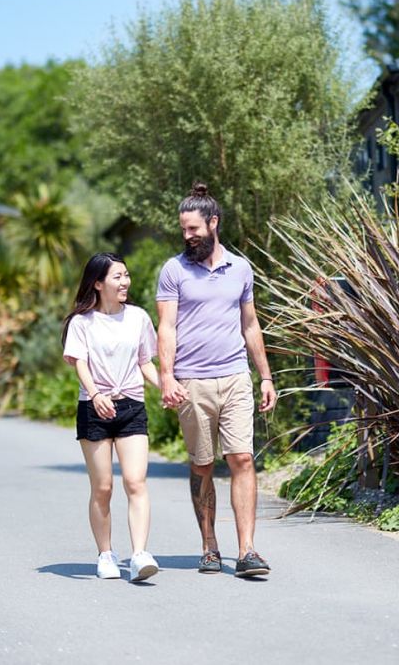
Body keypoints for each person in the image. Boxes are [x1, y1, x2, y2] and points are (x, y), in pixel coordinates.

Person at [156, 181, 278, 578]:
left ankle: (247, 552)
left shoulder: (240, 268)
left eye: (194, 229)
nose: (187, 236)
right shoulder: (174, 270)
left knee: (242, 458)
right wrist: (166, 377)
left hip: (235, 377)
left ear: (213, 222)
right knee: (203, 464)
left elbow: (251, 324)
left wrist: (265, 377)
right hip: (192, 382)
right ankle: (209, 546)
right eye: (184, 230)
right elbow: (167, 327)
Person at [62, 252, 161, 582]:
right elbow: (79, 362)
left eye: (127, 275)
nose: (125, 282)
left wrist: (166, 387)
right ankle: (105, 553)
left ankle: (139, 554)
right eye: (118, 277)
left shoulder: (138, 318)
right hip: (94, 409)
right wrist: (95, 394)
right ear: (98, 283)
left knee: (136, 482)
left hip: (131, 405)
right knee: (103, 487)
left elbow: (146, 361)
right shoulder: (82, 322)